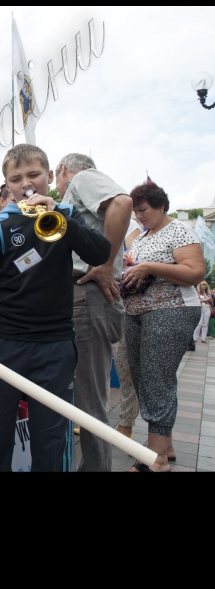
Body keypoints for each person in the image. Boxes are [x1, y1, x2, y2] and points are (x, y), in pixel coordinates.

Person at [0, 144, 111, 473]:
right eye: (16, 178)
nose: (26, 183)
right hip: (4, 346)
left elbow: (100, 252)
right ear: (7, 184)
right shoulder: (0, 225)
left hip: (55, 348)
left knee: (50, 444)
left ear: (49, 176)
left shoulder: (66, 216)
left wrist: (63, 219)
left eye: (34, 175)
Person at [55, 154, 133, 473]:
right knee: (88, 395)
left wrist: (104, 262)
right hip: (84, 297)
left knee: (90, 400)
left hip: (87, 294)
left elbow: (124, 202)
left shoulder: (82, 179)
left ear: (63, 171)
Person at [123, 181, 205, 473]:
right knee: (144, 378)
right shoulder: (143, 235)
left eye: (143, 210)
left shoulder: (179, 230)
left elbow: (195, 272)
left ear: (161, 206)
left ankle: (154, 459)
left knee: (157, 379)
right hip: (138, 312)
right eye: (135, 212)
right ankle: (165, 445)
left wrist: (150, 267)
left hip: (171, 311)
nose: (139, 216)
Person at [113, 219, 143, 440]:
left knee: (129, 368)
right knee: (104, 366)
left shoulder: (130, 225)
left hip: (132, 307)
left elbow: (135, 257)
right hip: (102, 303)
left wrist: (127, 260)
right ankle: (94, 418)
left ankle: (126, 424)